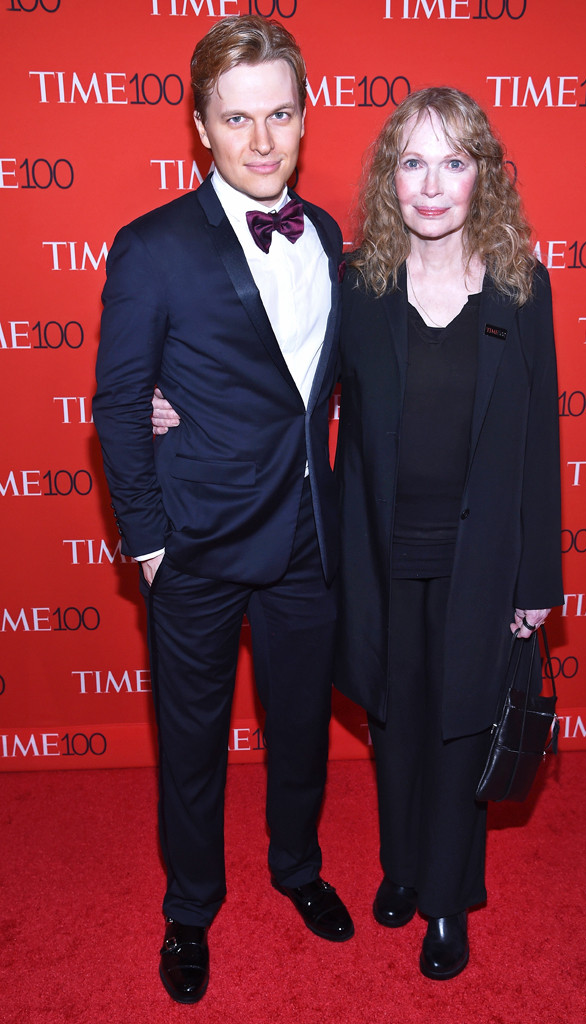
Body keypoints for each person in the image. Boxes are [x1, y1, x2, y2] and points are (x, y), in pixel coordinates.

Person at [92, 15, 353, 1007]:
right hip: (194, 546)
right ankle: (190, 907)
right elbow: (120, 402)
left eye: (278, 114)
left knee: (300, 730)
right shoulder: (152, 247)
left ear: (301, 116)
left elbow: (316, 390)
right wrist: (150, 543)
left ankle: (297, 868)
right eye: (236, 118)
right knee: (191, 745)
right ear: (201, 125)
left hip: (305, 540)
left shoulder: (325, 234)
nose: (259, 141)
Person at [334, 87, 563, 980]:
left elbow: (542, 437)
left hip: (481, 563)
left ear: (484, 178)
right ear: (393, 180)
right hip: (382, 558)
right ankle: (399, 866)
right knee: (394, 724)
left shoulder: (523, 287)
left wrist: (534, 579)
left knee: (462, 727)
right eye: (414, 163)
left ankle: (444, 901)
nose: (433, 186)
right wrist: (175, 406)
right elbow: (288, 395)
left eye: (454, 162)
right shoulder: (359, 285)